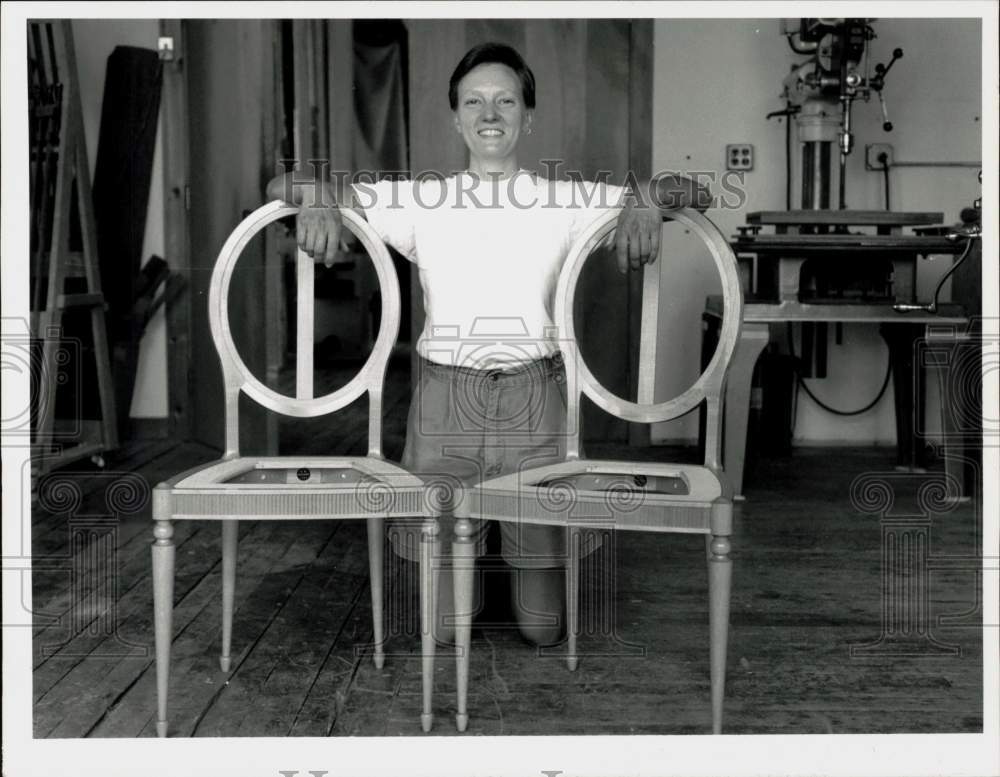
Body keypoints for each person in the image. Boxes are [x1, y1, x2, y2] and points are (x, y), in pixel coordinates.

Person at [267, 42, 709, 646]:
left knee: (543, 629)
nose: (490, 113)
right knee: (447, 634)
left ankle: (515, 555)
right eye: (474, 101)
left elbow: (698, 189)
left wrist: (647, 196)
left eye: (506, 100)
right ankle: (466, 559)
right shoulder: (421, 200)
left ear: (528, 116)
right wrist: (318, 194)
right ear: (455, 117)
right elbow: (278, 182)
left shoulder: (564, 200)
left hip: (536, 404)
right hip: (445, 403)